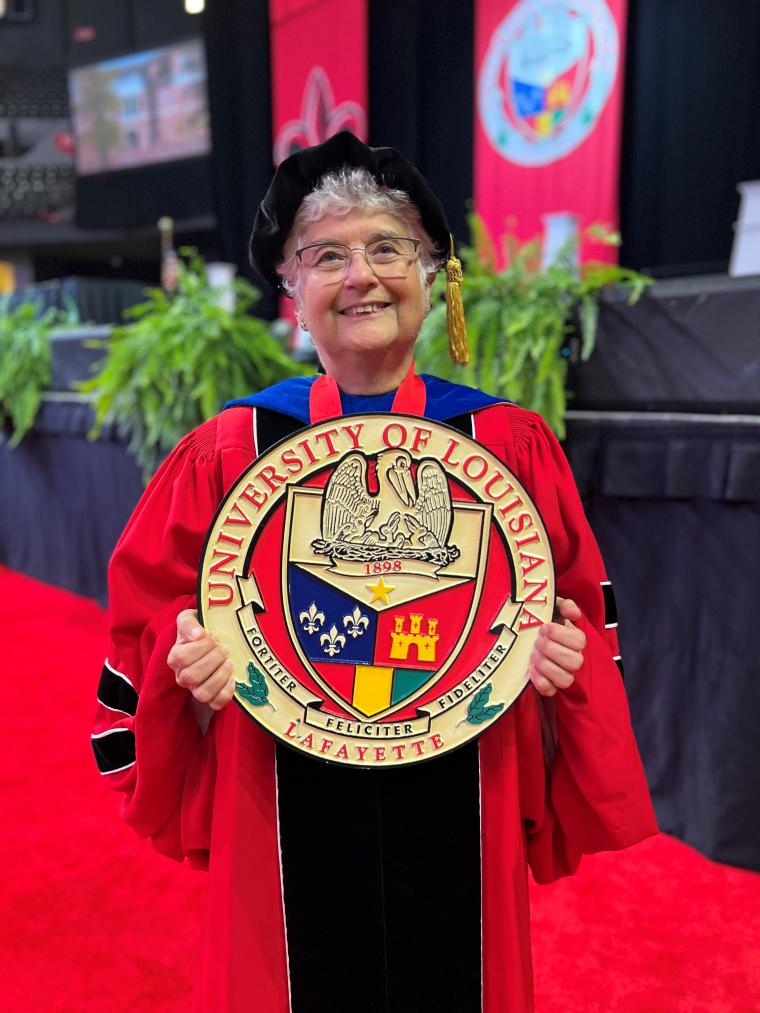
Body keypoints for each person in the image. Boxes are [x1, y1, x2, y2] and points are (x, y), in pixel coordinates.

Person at [92, 132, 656, 1012]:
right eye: (327, 256)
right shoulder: (229, 451)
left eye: (388, 247)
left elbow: (577, 609)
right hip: (276, 787)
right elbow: (147, 619)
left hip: (462, 779)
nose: (361, 275)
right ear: (293, 294)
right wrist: (183, 659)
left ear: (434, 276)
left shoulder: (505, 445)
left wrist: (568, 662)